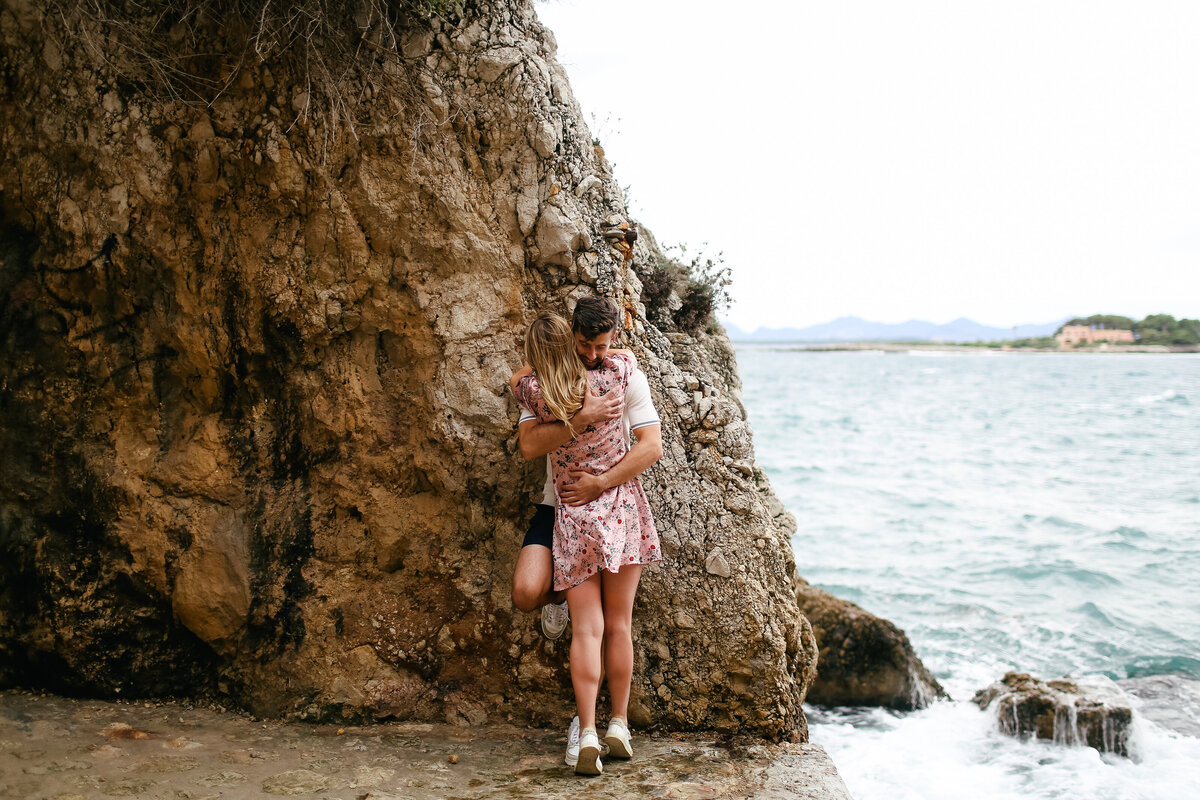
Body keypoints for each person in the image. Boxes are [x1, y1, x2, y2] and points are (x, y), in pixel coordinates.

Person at [510, 302, 662, 776]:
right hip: (609, 512)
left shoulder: (542, 390)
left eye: (604, 345)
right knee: (617, 623)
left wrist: (596, 480)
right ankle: (618, 723)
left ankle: (590, 729)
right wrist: (586, 412)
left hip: (579, 510)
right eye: (587, 345)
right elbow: (529, 445)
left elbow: (516, 383)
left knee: (588, 628)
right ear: (569, 338)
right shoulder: (621, 371)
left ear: (613, 338)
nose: (597, 354)